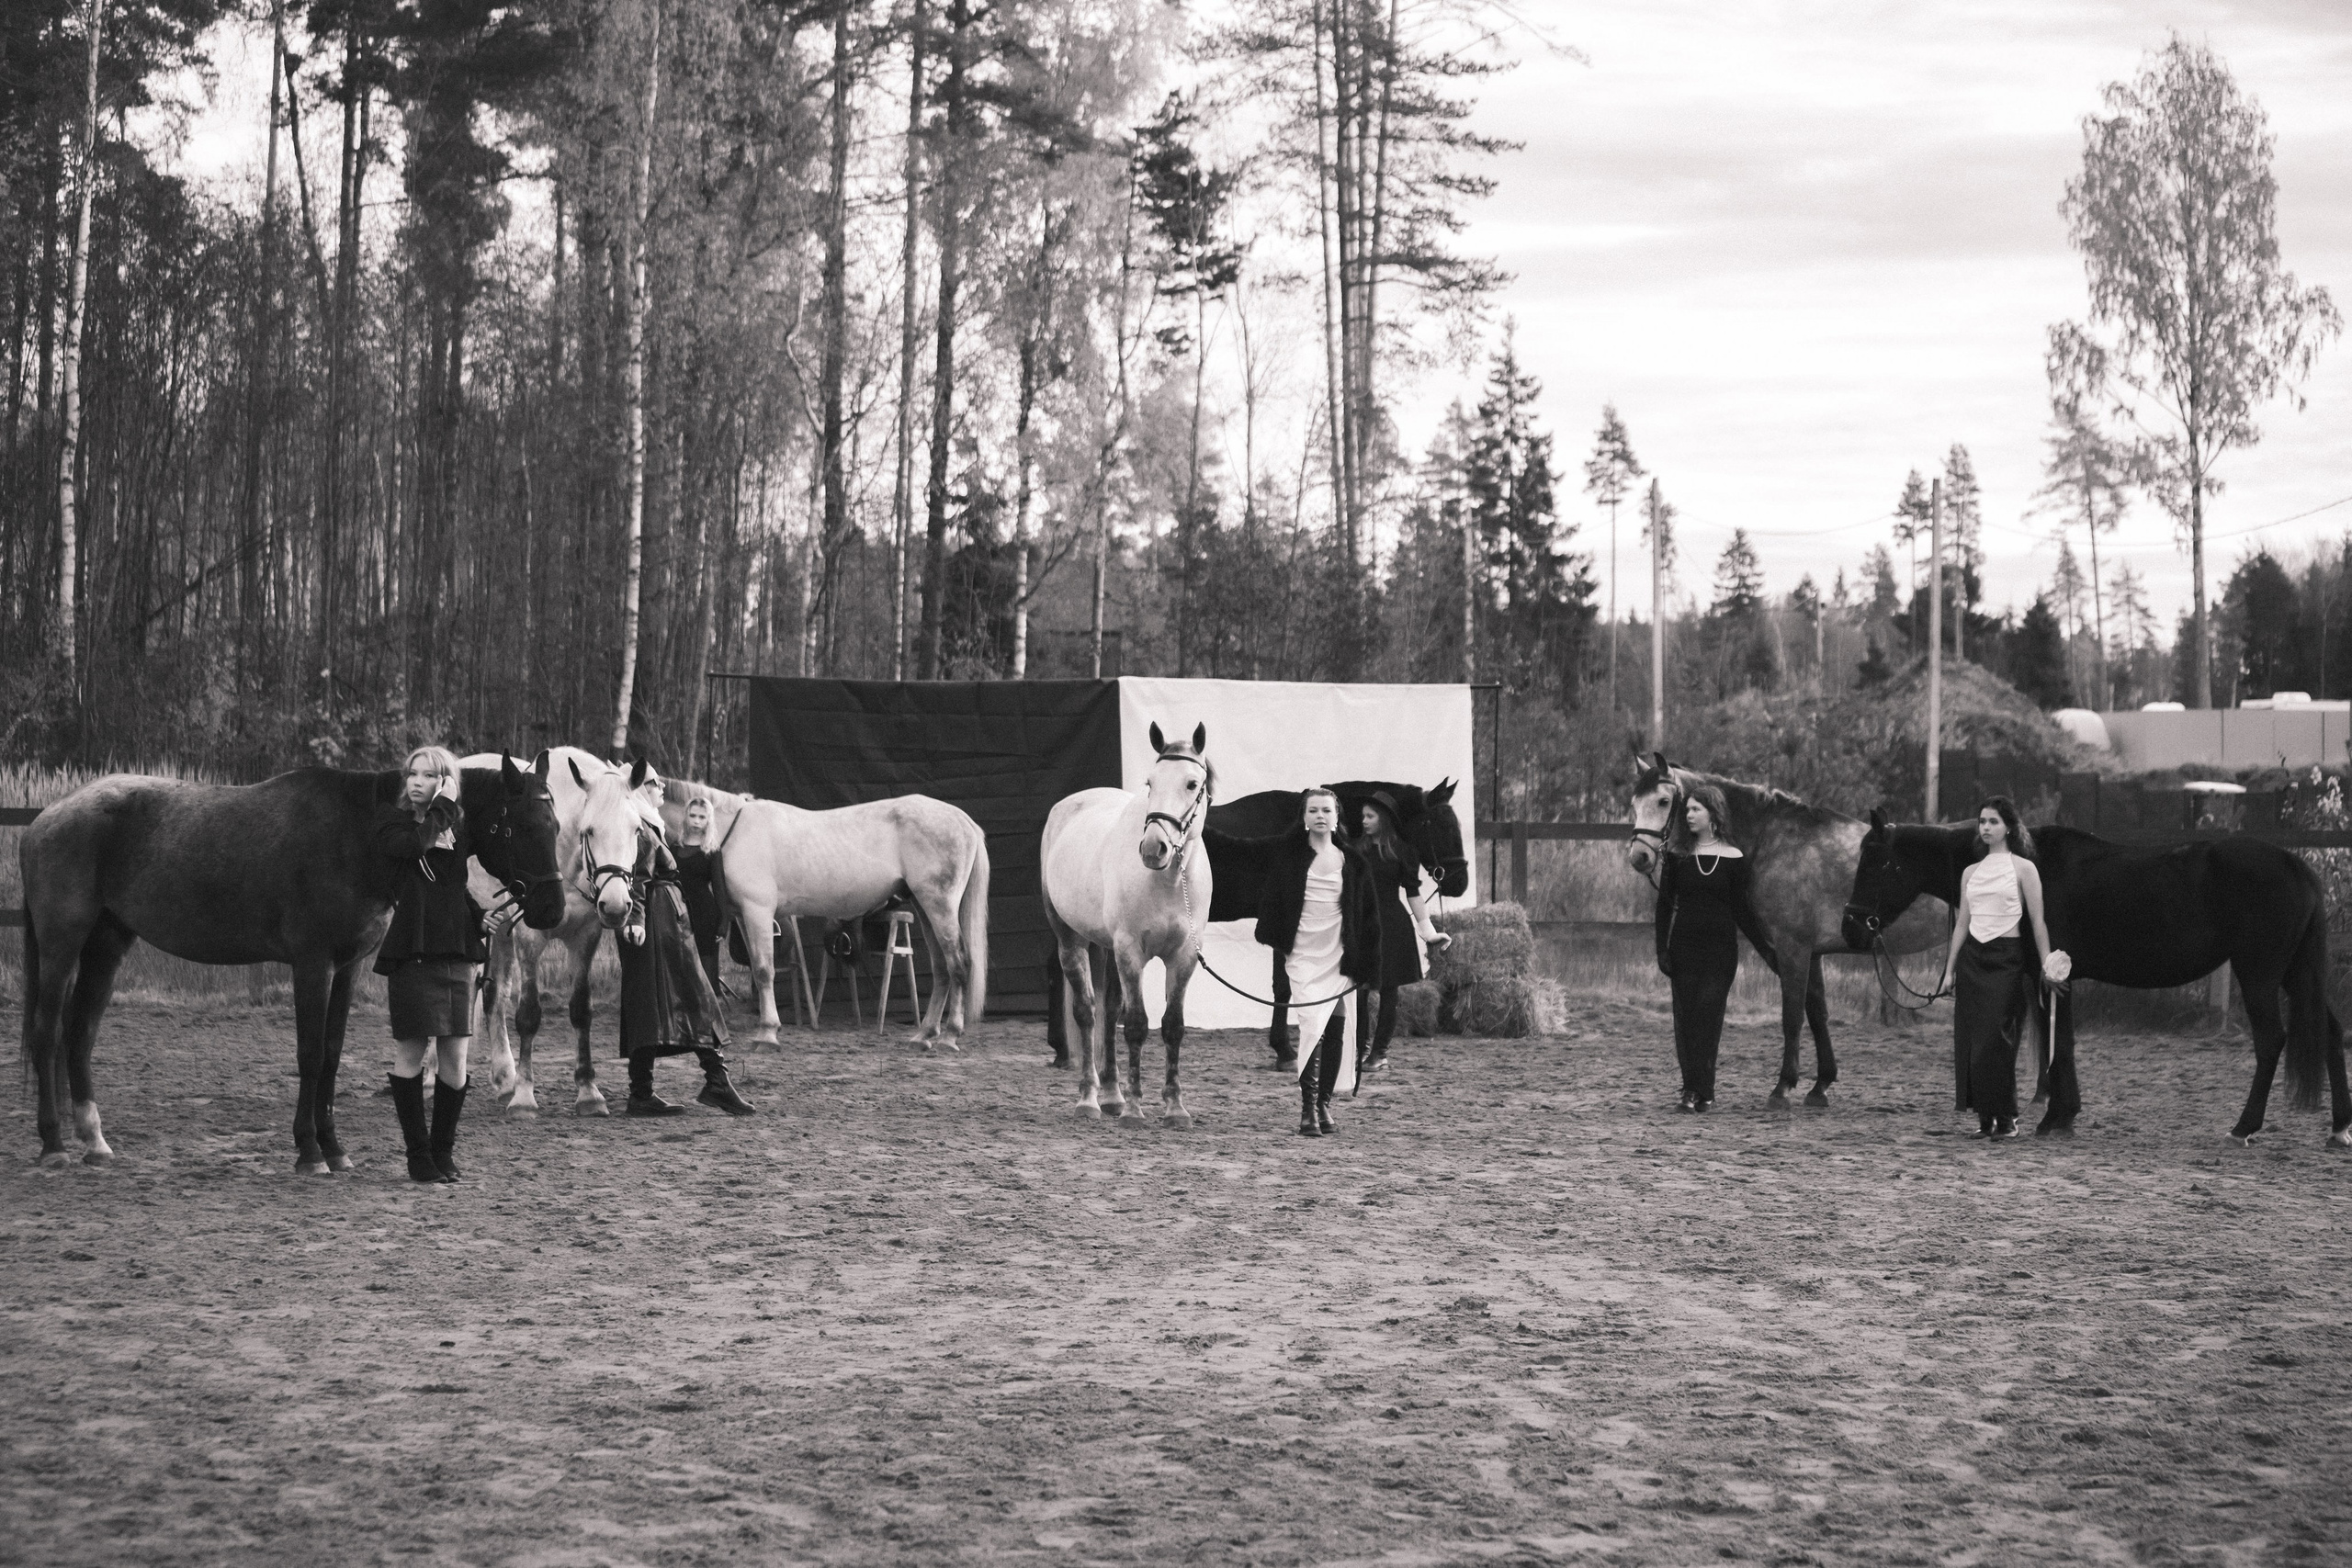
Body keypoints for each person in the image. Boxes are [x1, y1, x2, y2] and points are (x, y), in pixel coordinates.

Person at [374, 745, 489, 1183]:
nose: (416, 782)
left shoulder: (455, 831)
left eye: (428, 775)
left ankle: (443, 1153)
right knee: (411, 1052)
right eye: (412, 774)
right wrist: (444, 804)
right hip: (412, 951)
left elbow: (452, 887)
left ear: (444, 780)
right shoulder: (393, 824)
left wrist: (480, 917)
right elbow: (414, 847)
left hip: (457, 951)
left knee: (455, 1059)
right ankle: (417, 1156)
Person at [615, 782, 756, 1118]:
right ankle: (709, 1082)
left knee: (659, 1002)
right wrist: (636, 917)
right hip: (657, 924)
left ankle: (646, 1090)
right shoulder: (640, 825)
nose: (661, 786)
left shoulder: (652, 823)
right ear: (640, 789)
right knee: (688, 997)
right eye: (653, 782)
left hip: (667, 921)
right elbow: (636, 875)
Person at [1253, 787, 1383, 1136]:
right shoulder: (1288, 857)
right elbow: (1271, 899)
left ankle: (1323, 1104)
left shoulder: (1353, 862)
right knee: (1312, 1024)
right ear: (1305, 817)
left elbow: (1368, 918)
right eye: (1313, 810)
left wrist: (1368, 966)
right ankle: (1307, 1107)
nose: (1320, 816)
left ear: (1337, 817)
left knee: (1336, 1026)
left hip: (1339, 955)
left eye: (1326, 810)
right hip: (1303, 954)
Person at [1654, 782, 1779, 1112]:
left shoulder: (1735, 858)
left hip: (1720, 952)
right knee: (1687, 1021)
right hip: (1683, 948)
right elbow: (1664, 907)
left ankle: (1699, 1090)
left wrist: (1767, 950)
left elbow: (1743, 911)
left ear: (1713, 814)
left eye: (1696, 809)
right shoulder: (1677, 856)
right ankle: (1694, 1091)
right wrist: (1661, 950)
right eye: (1688, 810)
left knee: (1708, 1019)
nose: (1689, 815)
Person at [1935, 795, 2052, 1141]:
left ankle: (2007, 1118)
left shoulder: (2024, 869)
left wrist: (2048, 963)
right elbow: (1962, 923)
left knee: (1996, 1041)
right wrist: (1949, 970)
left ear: (2009, 828)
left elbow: (2038, 922)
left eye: (1993, 822)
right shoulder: (1971, 872)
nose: (1986, 828)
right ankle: (1985, 1119)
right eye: (1982, 822)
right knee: (1972, 1042)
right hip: (1973, 959)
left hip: (2007, 959)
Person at [1351, 791, 1450, 1071]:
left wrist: (1429, 932)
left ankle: (1379, 1053)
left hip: (1392, 925)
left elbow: (1413, 894)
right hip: (1362, 923)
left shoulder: (1403, 852)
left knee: (1388, 990)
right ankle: (1359, 1049)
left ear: (1383, 819)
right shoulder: (1355, 850)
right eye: (1363, 816)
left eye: (1370, 816)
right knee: (1359, 991)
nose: (1364, 821)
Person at [671, 795, 728, 1000]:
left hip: (705, 913)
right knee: (680, 960)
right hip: (678, 912)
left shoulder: (712, 850)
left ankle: (709, 1013)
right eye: (693, 815)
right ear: (686, 816)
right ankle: (685, 1010)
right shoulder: (674, 847)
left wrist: (724, 921)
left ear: (708, 820)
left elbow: (719, 887)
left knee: (706, 962)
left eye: (702, 817)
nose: (696, 821)